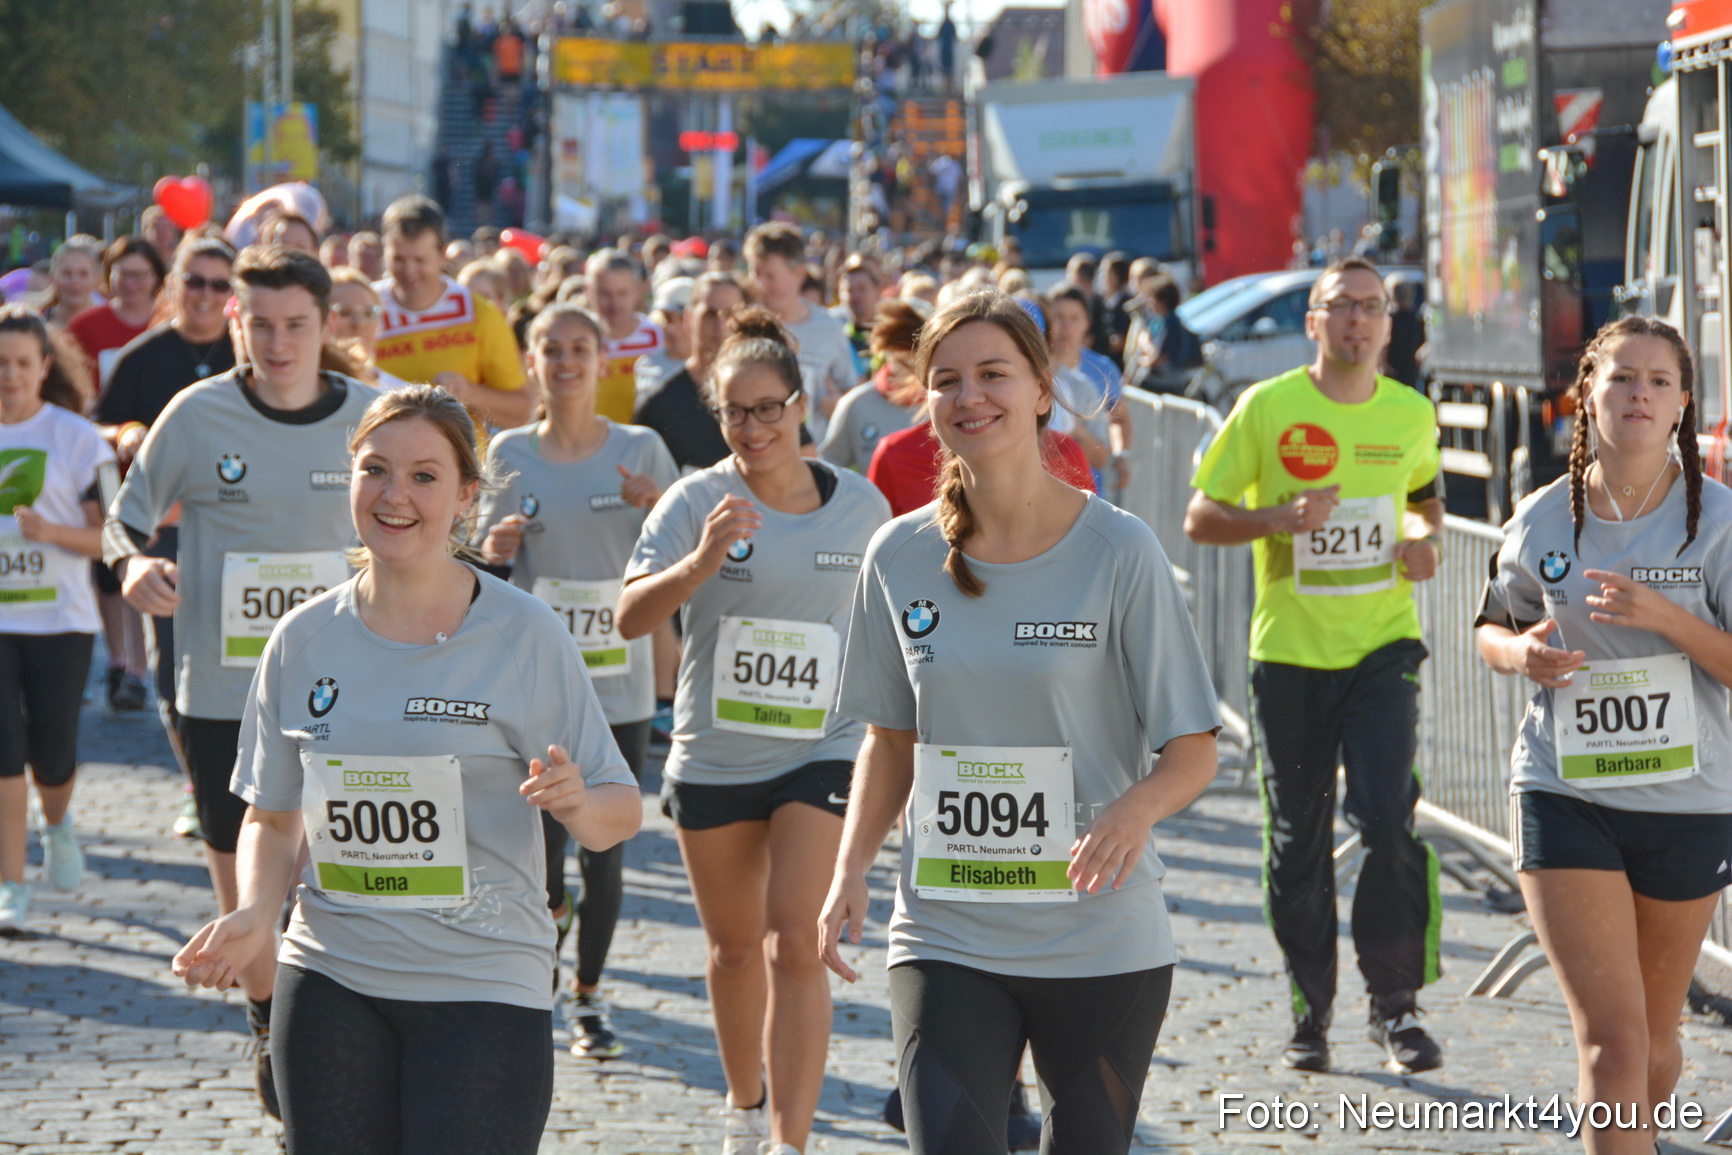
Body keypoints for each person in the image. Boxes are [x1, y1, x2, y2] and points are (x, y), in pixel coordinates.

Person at [171, 384, 641, 1154]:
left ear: (464, 496)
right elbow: (272, 812)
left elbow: (621, 807)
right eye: (375, 469)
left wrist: (578, 803)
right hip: (332, 975)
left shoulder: (525, 633)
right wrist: (257, 911)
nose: (395, 495)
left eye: (424, 475)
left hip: (484, 981)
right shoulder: (301, 639)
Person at [820, 289, 1221, 1154]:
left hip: (1098, 930)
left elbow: (1192, 749)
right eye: (948, 380)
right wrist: (849, 866)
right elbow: (891, 739)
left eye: (993, 374)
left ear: (1043, 389)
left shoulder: (1119, 550)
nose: (970, 397)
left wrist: (1133, 809)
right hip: (946, 926)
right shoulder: (898, 555)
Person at [105, 245, 380, 1119]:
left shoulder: (374, 420)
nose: (278, 341)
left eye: (296, 323)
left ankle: (340, 1029)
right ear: (236, 321)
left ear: (327, 324)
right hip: (223, 690)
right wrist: (129, 567)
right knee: (248, 884)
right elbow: (124, 521)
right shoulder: (196, 416)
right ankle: (271, 1016)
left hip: (354, 688)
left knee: (337, 871)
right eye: (259, 323)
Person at [618, 309, 890, 1155]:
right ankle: (744, 1107)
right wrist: (699, 560)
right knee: (735, 950)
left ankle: (790, 1140)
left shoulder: (862, 506)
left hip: (826, 747)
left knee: (794, 941)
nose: (753, 426)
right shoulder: (694, 500)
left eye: (769, 407)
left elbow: (894, 622)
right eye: (735, 412)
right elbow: (629, 617)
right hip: (717, 752)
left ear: (802, 406)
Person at [1182, 255, 1446, 1074]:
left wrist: (1423, 544)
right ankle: (1311, 1010)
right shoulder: (1267, 407)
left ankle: (1396, 1007)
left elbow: (1428, 506)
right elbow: (1199, 515)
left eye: (1372, 307)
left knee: (1386, 822)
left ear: (1389, 326)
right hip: (1289, 657)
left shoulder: (1410, 414)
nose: (1357, 321)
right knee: (1296, 843)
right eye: (1340, 306)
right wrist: (1276, 517)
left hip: (1382, 648)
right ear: (1314, 321)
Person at [1475, 316, 1732, 1155]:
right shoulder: (1546, 515)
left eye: (1659, 381)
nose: (1640, 395)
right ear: (1588, 390)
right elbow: (1491, 626)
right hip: (1565, 791)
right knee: (1611, 1042)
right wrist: (1521, 655)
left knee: (1654, 1047)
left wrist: (1668, 618)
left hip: (1687, 801)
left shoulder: (1719, 521)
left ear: (1684, 404)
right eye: (1622, 377)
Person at [476, 304, 678, 1059]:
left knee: (607, 850)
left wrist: (655, 506)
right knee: (540, 856)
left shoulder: (642, 448)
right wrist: (494, 552)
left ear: (603, 361)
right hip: (537, 688)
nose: (565, 362)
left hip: (618, 685)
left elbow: (682, 552)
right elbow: (481, 578)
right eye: (551, 349)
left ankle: (589, 998)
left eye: (579, 349)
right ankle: (542, 971)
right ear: (531, 361)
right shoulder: (508, 453)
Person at [94, 237, 239, 733]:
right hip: (167, 531)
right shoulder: (140, 356)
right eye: (194, 281)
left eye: (220, 284)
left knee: (244, 659)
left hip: (240, 525)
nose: (205, 294)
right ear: (173, 284)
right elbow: (97, 426)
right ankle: (195, 788)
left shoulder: (252, 353)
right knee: (176, 663)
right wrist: (125, 431)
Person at [0, 306, 114, 932]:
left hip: (61, 621)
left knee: (52, 753)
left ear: (44, 367)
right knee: (3, 753)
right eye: (0, 364)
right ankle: (10, 884)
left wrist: (52, 532)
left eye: (21, 364)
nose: (9, 376)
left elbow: (114, 538)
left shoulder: (79, 438)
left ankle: (58, 820)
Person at [372, 195, 531, 430]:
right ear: (384, 250)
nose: (409, 271)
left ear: (442, 254)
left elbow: (522, 411)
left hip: (457, 464)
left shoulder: (478, 313)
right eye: (399, 259)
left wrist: (469, 393)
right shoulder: (364, 310)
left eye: (419, 260)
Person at [745, 223, 858, 442]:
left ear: (799, 274)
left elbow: (851, 392)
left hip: (814, 458)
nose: (760, 284)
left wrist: (838, 404)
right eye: (755, 273)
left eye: (770, 276)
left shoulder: (829, 329)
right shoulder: (743, 327)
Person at [634, 271, 741, 473]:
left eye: (730, 314)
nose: (721, 325)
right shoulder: (661, 403)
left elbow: (803, 460)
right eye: (709, 314)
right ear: (689, 318)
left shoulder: (765, 392)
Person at [819, 299, 923, 471]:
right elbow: (828, 470)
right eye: (902, 362)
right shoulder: (856, 404)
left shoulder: (943, 403)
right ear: (887, 353)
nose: (911, 375)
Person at [67, 236, 167, 388]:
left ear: (157, 277)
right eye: (123, 274)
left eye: (139, 275)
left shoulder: (170, 323)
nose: (130, 283)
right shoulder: (84, 325)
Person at [587, 249, 664, 424]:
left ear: (637, 291)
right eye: (605, 293)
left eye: (622, 293)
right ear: (588, 290)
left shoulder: (657, 337)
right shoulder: (577, 337)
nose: (614, 303)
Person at [327, 269, 407, 389]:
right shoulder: (304, 391)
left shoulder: (399, 393)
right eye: (344, 312)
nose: (359, 323)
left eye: (368, 313)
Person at [633, 275, 693, 395]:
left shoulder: (716, 367)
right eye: (667, 318)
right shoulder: (645, 365)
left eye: (682, 319)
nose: (673, 328)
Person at [42, 237, 104, 330]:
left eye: (83, 274)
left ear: (97, 279)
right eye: (67, 273)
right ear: (52, 278)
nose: (75, 281)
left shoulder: (108, 325)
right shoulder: (38, 323)